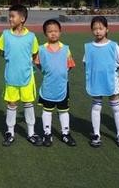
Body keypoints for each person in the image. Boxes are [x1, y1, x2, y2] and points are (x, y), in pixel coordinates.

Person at [0, 4, 42, 147]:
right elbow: (1, 51)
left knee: (28, 104)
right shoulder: (5, 35)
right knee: (11, 104)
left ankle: (31, 132)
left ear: (22, 19)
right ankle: (10, 132)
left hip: (27, 77)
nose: (10, 19)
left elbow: (34, 54)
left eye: (12, 16)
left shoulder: (31, 37)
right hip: (11, 76)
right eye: (9, 16)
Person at [83, 15, 119, 148]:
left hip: (111, 81)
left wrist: (111, 71)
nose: (98, 31)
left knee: (116, 107)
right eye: (95, 29)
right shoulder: (89, 47)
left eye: (101, 28)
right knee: (96, 107)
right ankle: (96, 134)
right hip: (96, 81)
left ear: (107, 29)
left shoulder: (113, 45)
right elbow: (86, 63)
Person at [36, 19, 76, 147]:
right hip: (48, 85)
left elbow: (70, 65)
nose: (53, 33)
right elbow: (38, 64)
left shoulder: (66, 49)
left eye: (56, 31)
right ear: (45, 33)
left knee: (63, 110)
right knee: (47, 111)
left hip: (62, 86)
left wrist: (61, 74)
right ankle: (47, 133)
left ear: (60, 32)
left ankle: (65, 133)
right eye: (50, 31)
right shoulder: (41, 49)